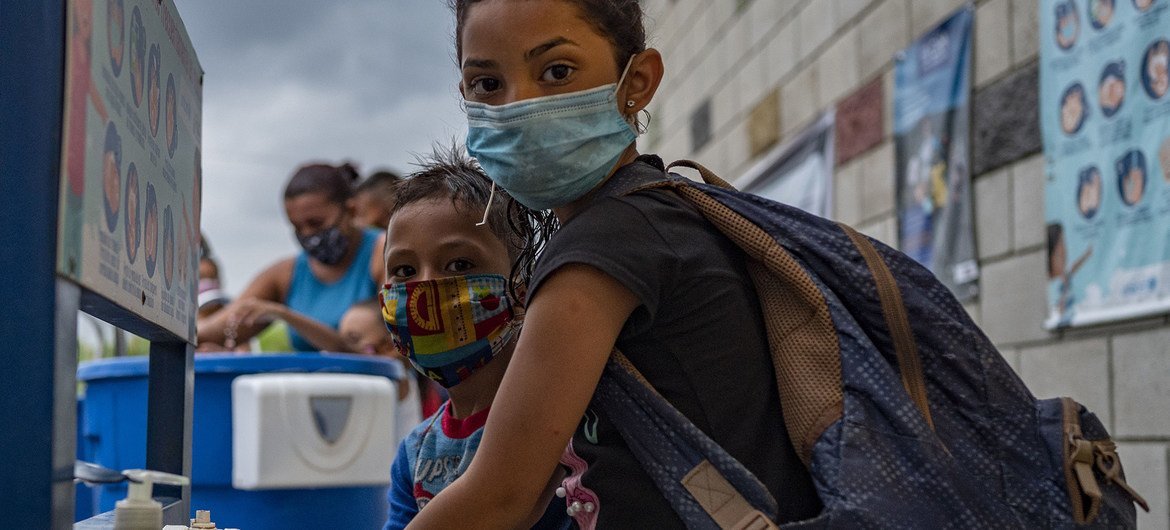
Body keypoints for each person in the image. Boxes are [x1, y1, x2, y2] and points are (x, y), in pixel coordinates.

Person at [407, 1, 822, 527]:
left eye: (556, 72)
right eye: (488, 84)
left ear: (638, 80)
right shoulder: (662, 209)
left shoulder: (606, 247)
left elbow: (500, 496)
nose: (520, 105)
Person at [380, 148, 568, 529]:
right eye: (404, 270)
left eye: (459, 265)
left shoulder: (560, 422)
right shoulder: (415, 454)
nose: (426, 286)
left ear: (520, 293)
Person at [197, 162, 384, 353]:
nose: (308, 234)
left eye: (316, 223)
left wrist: (283, 314)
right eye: (297, 227)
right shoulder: (286, 274)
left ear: (351, 211)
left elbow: (371, 350)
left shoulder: (383, 254)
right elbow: (217, 330)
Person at [337, 299, 423, 441]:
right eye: (341, 342)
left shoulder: (396, 379)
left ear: (389, 347)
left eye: (353, 341)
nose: (341, 353)